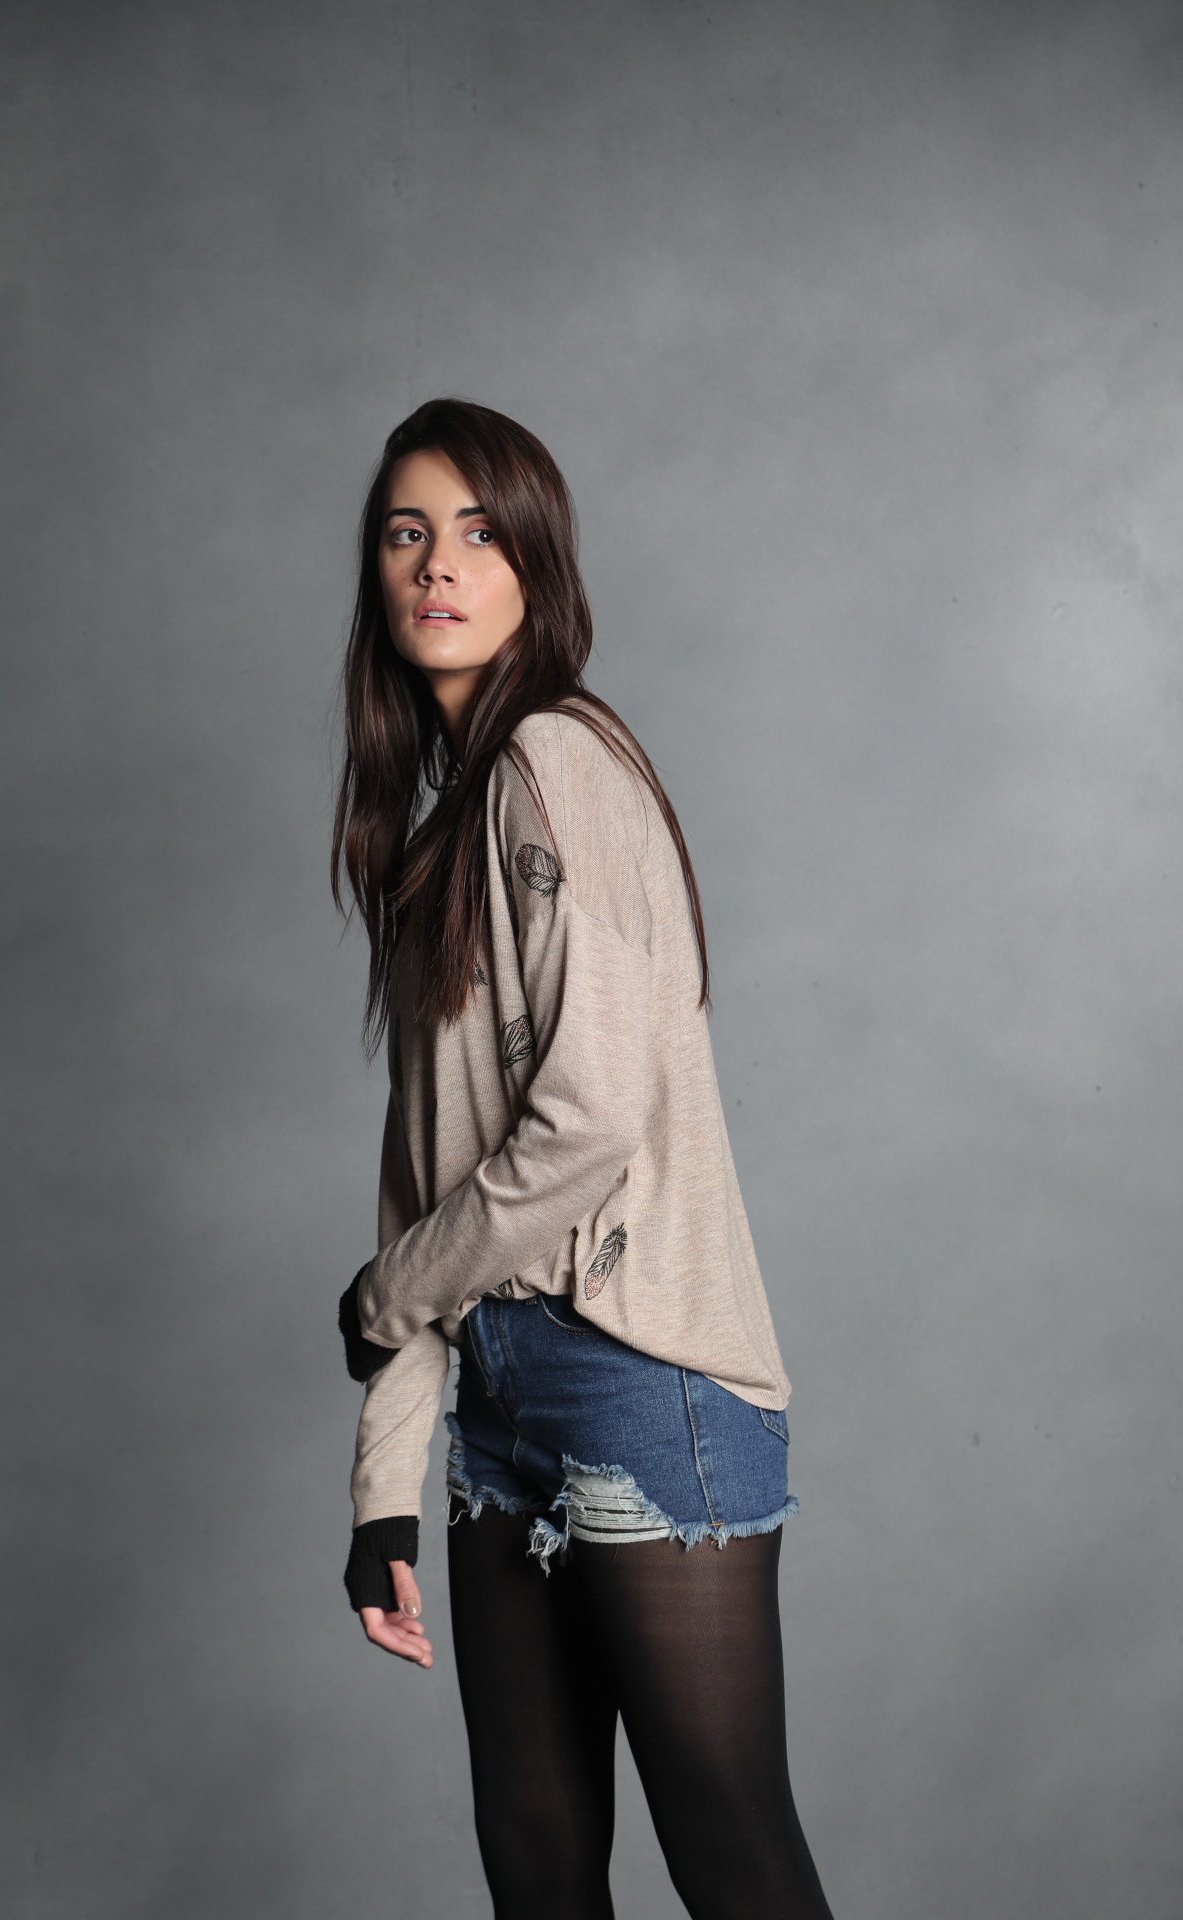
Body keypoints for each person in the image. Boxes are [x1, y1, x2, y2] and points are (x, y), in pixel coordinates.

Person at [333, 398, 835, 1920]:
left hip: (640, 1376)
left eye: (479, 532)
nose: (438, 564)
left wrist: (386, 1297)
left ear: (538, 567)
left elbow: (590, 1118)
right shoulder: (440, 828)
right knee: (539, 1870)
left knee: (734, 1859)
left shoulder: (555, 758)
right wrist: (383, 1489)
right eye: (408, 532)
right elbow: (428, 1193)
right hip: (500, 1406)